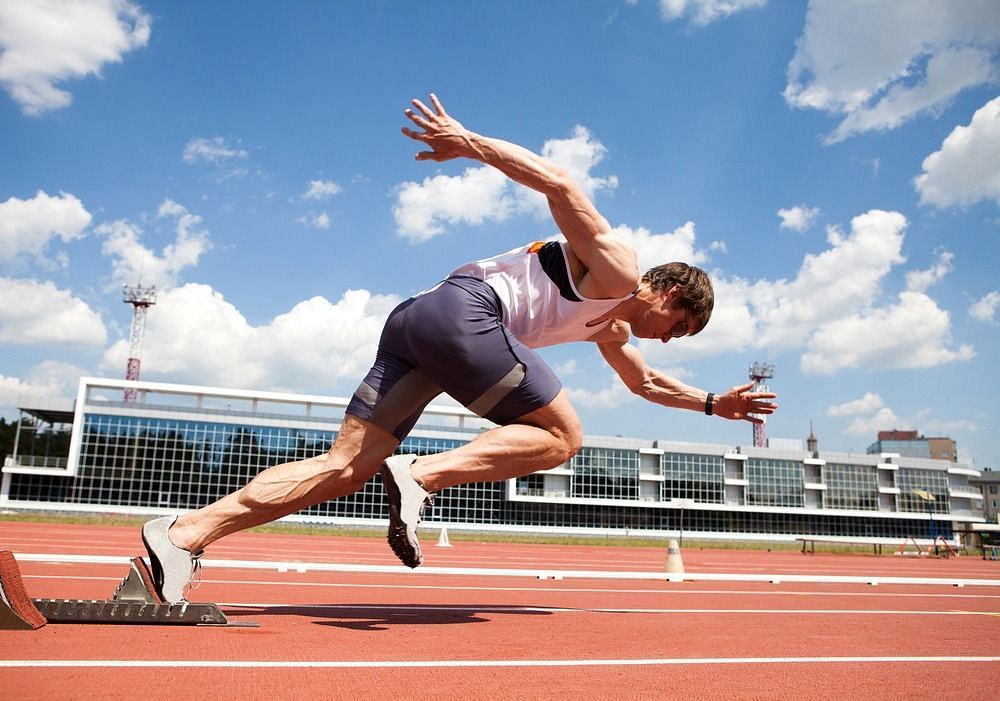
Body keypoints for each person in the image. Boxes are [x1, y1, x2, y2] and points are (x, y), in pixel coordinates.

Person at [141, 93, 778, 603]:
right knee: (562, 437)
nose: (669, 339)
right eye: (679, 327)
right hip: (467, 312)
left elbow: (644, 384)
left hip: (418, 323)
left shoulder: (608, 326)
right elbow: (559, 184)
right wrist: (467, 140)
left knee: (344, 467)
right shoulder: (616, 270)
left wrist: (711, 404)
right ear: (669, 293)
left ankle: (185, 534)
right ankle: (420, 475)